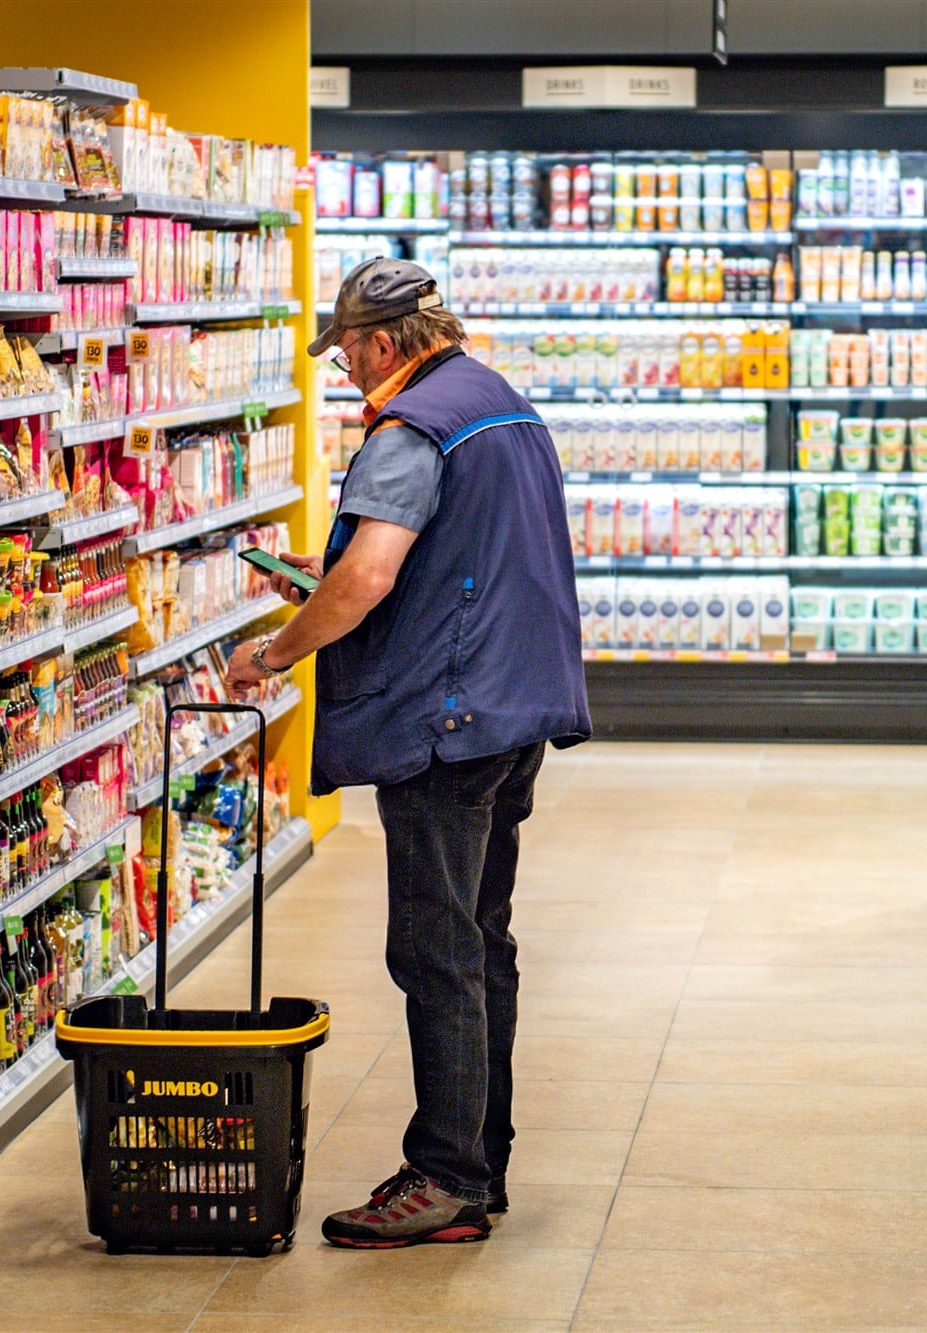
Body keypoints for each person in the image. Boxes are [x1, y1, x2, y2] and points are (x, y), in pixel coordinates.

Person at [226, 256, 590, 1249]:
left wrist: (275, 650)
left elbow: (373, 578)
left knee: (433, 949)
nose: (344, 370)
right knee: (480, 940)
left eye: (345, 351)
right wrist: (331, 560)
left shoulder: (407, 426)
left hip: (446, 721)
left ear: (384, 343)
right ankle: (480, 1162)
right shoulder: (498, 402)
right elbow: (449, 547)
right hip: (515, 711)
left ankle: (440, 1178)